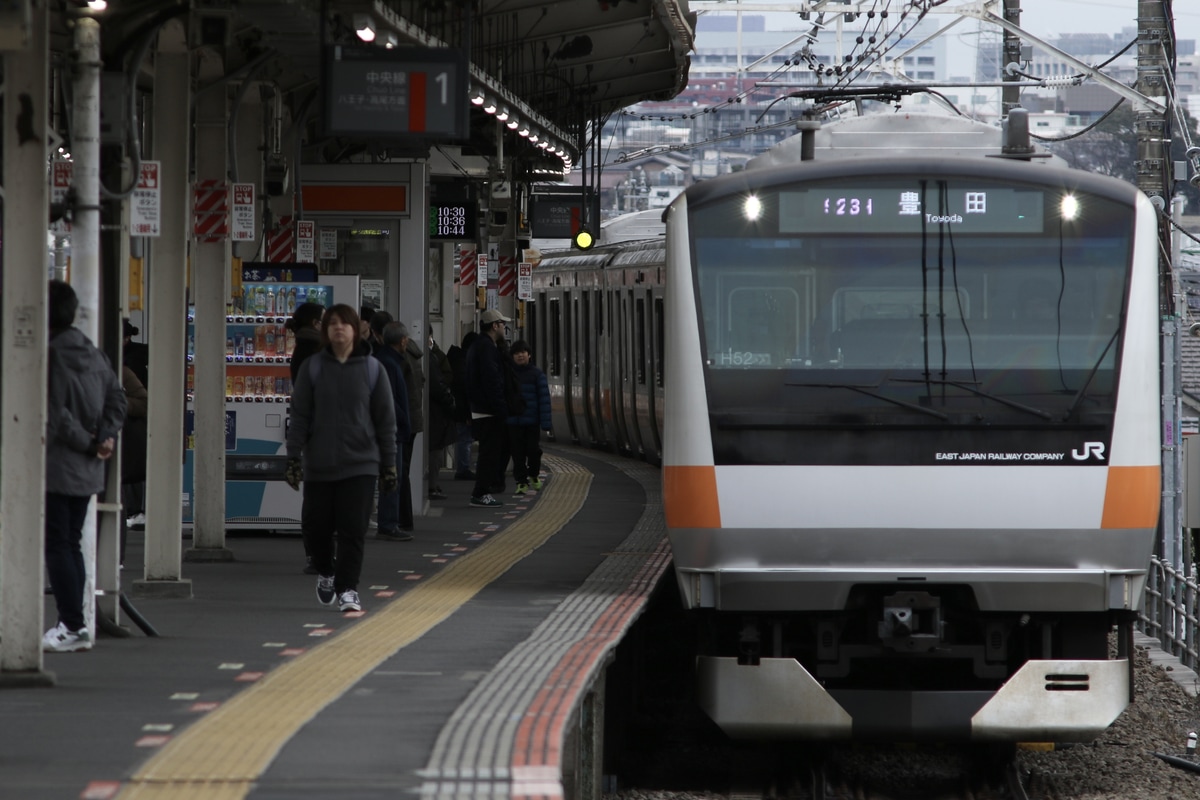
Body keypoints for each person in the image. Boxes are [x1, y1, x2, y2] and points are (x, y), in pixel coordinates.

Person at [285, 304, 397, 613]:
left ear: (355, 330)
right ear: (325, 330)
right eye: (332, 323)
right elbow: (300, 415)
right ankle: (326, 571)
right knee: (316, 529)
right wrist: (293, 457)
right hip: (319, 464)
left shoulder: (373, 369)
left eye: (344, 323)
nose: (338, 328)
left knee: (353, 530)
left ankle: (348, 589)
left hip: (361, 464)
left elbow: (386, 421)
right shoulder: (313, 368)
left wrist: (389, 464)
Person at [45, 279, 127, 652]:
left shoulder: (50, 355)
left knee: (58, 545)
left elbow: (54, 415)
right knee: (72, 543)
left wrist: (89, 443)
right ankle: (75, 623)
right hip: (91, 468)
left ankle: (71, 625)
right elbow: (118, 398)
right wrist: (105, 437)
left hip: (58, 466)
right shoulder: (93, 353)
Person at [287, 301, 326, 574]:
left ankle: (316, 553)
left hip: (314, 434)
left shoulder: (307, 349)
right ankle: (317, 554)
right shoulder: (313, 352)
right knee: (319, 501)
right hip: (320, 434)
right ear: (315, 323)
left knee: (317, 499)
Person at [368, 314, 413, 542]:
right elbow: (389, 399)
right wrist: (403, 419)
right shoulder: (389, 363)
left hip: (387, 427)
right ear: (403, 341)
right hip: (390, 429)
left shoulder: (383, 359)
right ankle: (388, 524)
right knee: (391, 476)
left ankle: (387, 523)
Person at [465, 309, 512, 508]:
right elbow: (492, 381)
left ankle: (482, 491)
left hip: (481, 408)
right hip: (488, 410)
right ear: (494, 326)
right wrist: (501, 408)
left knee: (489, 452)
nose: (504, 327)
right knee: (489, 453)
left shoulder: (479, 346)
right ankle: (481, 493)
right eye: (502, 324)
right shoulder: (486, 348)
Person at [382, 321, 423, 531]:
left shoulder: (390, 361)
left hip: (399, 424)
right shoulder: (407, 358)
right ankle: (398, 520)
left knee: (396, 472)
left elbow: (388, 398)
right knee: (398, 472)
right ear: (404, 340)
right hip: (406, 421)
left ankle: (396, 520)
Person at [505, 340, 552, 494]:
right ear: (512, 356)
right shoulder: (508, 374)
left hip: (532, 421)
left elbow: (544, 399)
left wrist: (546, 423)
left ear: (529, 355)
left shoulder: (537, 375)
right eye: (516, 353)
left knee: (533, 450)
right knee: (517, 453)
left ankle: (533, 474)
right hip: (513, 421)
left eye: (523, 352)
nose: (520, 355)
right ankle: (521, 482)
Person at [425, 335, 457, 500]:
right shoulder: (431, 357)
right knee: (435, 450)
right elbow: (439, 385)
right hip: (435, 412)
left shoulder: (433, 356)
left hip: (430, 411)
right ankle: (431, 486)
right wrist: (449, 401)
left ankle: (431, 485)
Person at [447, 331, 478, 481]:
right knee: (465, 439)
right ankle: (463, 469)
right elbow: (464, 390)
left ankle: (463, 467)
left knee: (464, 439)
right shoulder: (463, 363)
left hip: (459, 408)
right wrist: (468, 413)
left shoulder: (458, 359)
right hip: (462, 410)